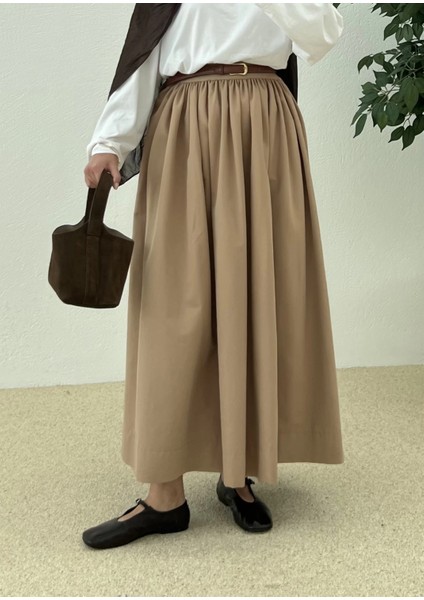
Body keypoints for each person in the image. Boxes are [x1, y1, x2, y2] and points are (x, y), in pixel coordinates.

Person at [82, 3, 345, 550]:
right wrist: (110, 141)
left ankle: (237, 474)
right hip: (184, 124)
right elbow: (147, 49)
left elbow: (322, 34)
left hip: (263, 124)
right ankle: (164, 495)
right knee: (172, 308)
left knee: (254, 299)